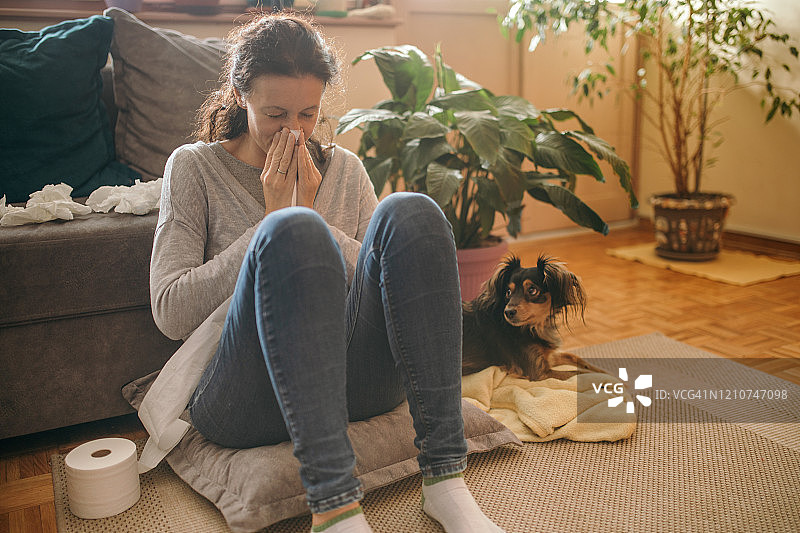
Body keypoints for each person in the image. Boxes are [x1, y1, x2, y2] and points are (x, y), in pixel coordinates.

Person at [149, 12, 504, 533]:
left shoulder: (345, 169)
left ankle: (447, 483)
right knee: (290, 229)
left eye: (307, 114)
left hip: (354, 383)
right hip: (244, 397)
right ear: (239, 93)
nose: (292, 132)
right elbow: (170, 311)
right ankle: (336, 509)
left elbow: (385, 288)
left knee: (414, 211)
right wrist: (273, 225)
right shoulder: (194, 167)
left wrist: (314, 221)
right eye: (274, 114)